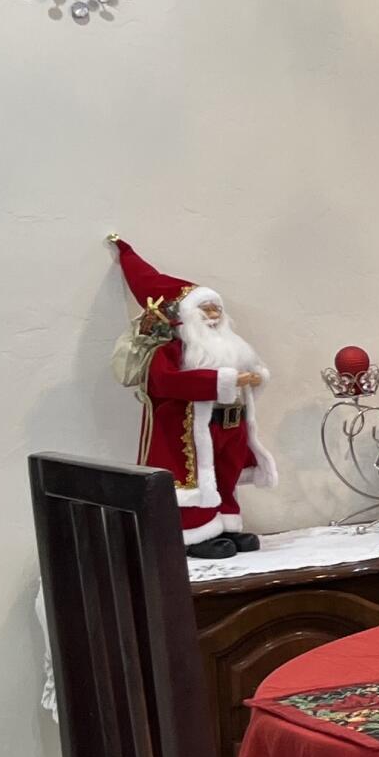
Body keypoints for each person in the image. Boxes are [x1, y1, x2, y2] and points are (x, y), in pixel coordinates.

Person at [110, 237, 277, 556]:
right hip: (189, 428)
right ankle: (196, 533)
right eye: (206, 308)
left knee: (225, 478)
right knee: (196, 480)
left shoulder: (228, 343)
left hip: (231, 423)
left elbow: (243, 371)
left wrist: (255, 378)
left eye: (217, 307)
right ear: (187, 316)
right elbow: (165, 382)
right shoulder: (171, 349)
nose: (214, 313)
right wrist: (224, 379)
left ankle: (228, 525)